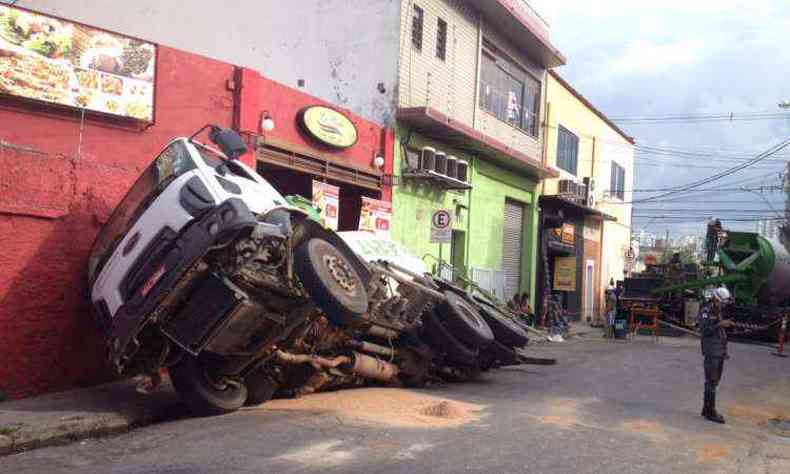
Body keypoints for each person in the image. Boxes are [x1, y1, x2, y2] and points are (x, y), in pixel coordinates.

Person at [698, 286, 735, 424]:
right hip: (711, 351)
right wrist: (720, 324)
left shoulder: (718, 310)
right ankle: (710, 412)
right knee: (711, 381)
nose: (723, 305)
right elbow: (705, 330)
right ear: (716, 299)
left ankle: (706, 408)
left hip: (718, 351)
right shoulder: (706, 311)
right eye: (722, 302)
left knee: (715, 381)